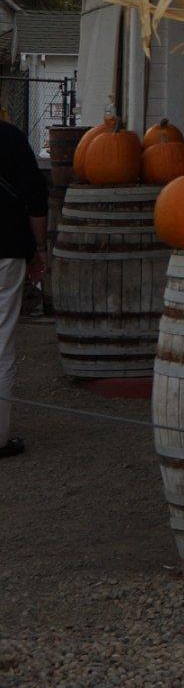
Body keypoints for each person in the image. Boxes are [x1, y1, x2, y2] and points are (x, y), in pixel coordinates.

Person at [0, 115, 49, 458]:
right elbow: (35, 201)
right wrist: (39, 250)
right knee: (2, 342)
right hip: (6, 250)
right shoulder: (12, 140)